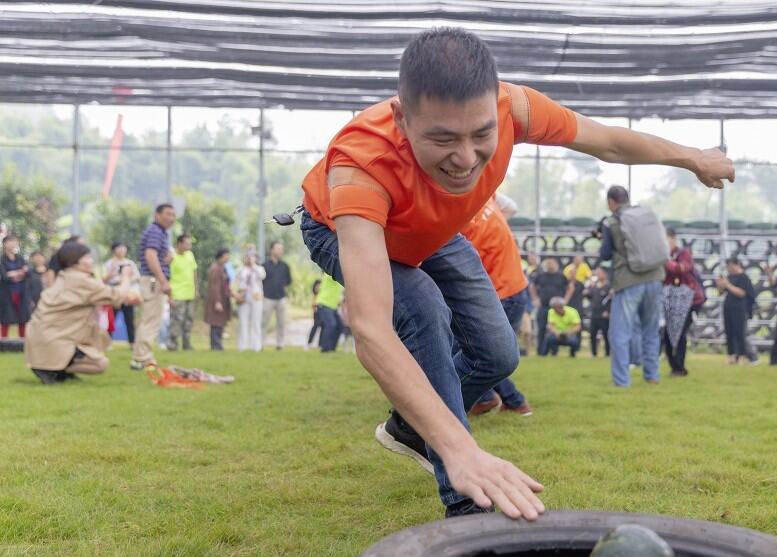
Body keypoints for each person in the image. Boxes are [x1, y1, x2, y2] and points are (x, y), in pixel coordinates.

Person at [297, 27, 734, 519]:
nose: (465, 159)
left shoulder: (516, 107)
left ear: (496, 107)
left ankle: (411, 425)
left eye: (481, 134)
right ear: (401, 118)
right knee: (420, 304)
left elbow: (609, 143)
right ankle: (467, 505)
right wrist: (460, 449)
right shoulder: (360, 166)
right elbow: (372, 330)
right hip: (341, 230)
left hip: (435, 232)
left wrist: (692, 157)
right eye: (443, 138)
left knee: (498, 353)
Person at [25, 242, 140, 384]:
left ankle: (53, 369)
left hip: (43, 334)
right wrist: (126, 276)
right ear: (75, 261)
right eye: (87, 257)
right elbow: (117, 296)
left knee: (95, 344)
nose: (91, 261)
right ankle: (52, 370)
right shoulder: (81, 280)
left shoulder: (65, 275)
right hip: (54, 338)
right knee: (100, 364)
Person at [464, 196, 533, 416]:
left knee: (485, 353)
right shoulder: (485, 196)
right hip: (515, 287)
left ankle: (505, 400)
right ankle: (499, 400)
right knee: (488, 352)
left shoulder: (463, 229)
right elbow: (512, 206)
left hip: (502, 293)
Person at [599, 185, 665, 385]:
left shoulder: (611, 222)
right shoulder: (645, 214)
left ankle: (622, 381)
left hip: (628, 281)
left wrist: (602, 237)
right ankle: (652, 376)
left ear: (611, 202)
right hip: (655, 277)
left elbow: (605, 255)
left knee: (619, 333)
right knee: (650, 330)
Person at [132, 204, 175, 370]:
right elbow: (150, 255)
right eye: (168, 214)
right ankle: (143, 358)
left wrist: (166, 261)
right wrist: (163, 281)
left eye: (173, 215)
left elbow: (155, 257)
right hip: (152, 281)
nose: (171, 218)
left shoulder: (158, 232)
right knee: (151, 320)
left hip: (151, 280)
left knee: (149, 319)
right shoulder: (156, 231)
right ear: (157, 215)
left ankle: (140, 357)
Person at [662, 228, 703, 376]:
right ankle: (674, 366)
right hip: (672, 301)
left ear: (673, 238)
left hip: (690, 300)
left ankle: (679, 367)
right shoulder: (666, 256)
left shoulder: (683, 253)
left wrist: (666, 261)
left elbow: (681, 269)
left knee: (680, 332)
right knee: (669, 333)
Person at [717, 256, 757, 364]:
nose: (729, 269)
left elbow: (742, 293)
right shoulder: (729, 277)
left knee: (739, 333)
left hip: (739, 308)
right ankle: (731, 355)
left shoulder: (744, 278)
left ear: (737, 264)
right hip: (728, 307)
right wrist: (720, 285)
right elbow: (721, 292)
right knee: (729, 332)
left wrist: (727, 284)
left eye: (730, 266)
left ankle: (742, 356)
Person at [530, 258, 573, 356]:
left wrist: (566, 300)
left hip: (557, 308)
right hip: (544, 306)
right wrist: (535, 299)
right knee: (541, 328)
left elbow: (570, 287)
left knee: (555, 328)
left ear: (556, 264)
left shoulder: (561, 276)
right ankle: (541, 351)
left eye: (552, 263)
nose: (550, 265)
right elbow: (532, 286)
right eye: (548, 263)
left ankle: (554, 351)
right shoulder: (540, 275)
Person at [102, 242, 139, 345]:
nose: (122, 250)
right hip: (114, 294)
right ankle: (107, 341)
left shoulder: (130, 263)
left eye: (124, 248)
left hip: (128, 295)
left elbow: (137, 276)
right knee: (111, 318)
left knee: (129, 319)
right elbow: (104, 278)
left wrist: (125, 279)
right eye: (119, 248)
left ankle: (132, 342)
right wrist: (115, 278)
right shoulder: (109, 263)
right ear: (114, 250)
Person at [167, 233, 197, 351]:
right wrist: (170, 296)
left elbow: (194, 272)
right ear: (179, 243)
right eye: (187, 243)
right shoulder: (172, 257)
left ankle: (186, 344)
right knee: (177, 320)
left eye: (190, 244)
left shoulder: (190, 255)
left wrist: (196, 289)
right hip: (177, 294)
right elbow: (167, 276)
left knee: (189, 319)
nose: (189, 246)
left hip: (189, 293)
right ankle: (172, 344)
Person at [262, 240, 293, 350]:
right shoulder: (264, 265)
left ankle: (280, 344)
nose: (281, 251)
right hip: (267, 298)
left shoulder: (285, 266)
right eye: (278, 248)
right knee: (264, 322)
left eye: (281, 249)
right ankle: (260, 343)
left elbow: (289, 281)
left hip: (281, 298)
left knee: (281, 323)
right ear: (272, 250)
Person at [234, 250, 265, 352]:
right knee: (243, 322)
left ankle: (256, 346)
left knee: (256, 322)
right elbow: (236, 280)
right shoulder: (241, 269)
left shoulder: (259, 268)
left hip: (256, 297)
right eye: (247, 256)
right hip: (244, 297)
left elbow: (262, 276)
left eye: (251, 257)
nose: (249, 258)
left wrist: (253, 265)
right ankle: (242, 346)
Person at [1, 235, 30, 339]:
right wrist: (18, 273)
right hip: (7, 293)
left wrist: (13, 274)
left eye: (14, 241)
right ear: (5, 244)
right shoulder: (2, 259)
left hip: (21, 291)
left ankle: (22, 340)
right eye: (10, 241)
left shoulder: (20, 258)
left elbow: (26, 273)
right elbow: (4, 276)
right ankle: (4, 340)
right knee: (6, 317)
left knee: (22, 317)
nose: (13, 244)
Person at [204, 248, 232, 351]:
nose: (228, 257)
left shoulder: (222, 268)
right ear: (221, 256)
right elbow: (214, 286)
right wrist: (217, 301)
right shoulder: (215, 269)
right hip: (217, 300)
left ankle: (218, 345)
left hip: (223, 299)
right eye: (226, 255)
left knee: (220, 324)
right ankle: (215, 346)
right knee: (216, 323)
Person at [584, 266, 611, 358]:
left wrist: (608, 311)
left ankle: (607, 353)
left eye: (599, 273)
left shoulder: (608, 287)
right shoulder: (594, 285)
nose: (597, 275)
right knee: (592, 334)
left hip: (604, 315)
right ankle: (594, 353)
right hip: (594, 314)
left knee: (606, 334)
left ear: (604, 274)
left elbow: (611, 301)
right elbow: (589, 296)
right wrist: (587, 292)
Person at [315, 273, 344, 352]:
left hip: (332, 306)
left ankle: (331, 348)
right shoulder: (330, 273)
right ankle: (324, 348)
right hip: (324, 303)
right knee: (331, 324)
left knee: (340, 326)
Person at [305, 278, 323, 350]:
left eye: (319, 286)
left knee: (323, 327)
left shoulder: (322, 294)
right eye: (317, 286)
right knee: (315, 327)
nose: (318, 287)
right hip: (316, 312)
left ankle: (320, 344)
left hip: (322, 310)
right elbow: (313, 304)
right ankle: (309, 343)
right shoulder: (315, 295)